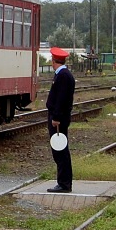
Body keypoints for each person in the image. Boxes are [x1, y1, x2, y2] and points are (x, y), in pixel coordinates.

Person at [46, 47, 75, 193]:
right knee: (60, 150)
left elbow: (61, 99)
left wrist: (56, 117)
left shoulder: (62, 76)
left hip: (58, 119)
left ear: (53, 61)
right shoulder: (63, 74)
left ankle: (64, 183)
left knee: (60, 150)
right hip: (59, 117)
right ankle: (63, 182)